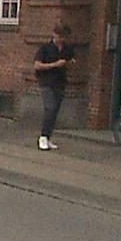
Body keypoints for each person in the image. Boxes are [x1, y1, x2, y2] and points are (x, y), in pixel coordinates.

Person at [33, 23, 74, 151]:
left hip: (60, 82)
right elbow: (37, 65)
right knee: (50, 108)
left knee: (55, 111)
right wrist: (55, 64)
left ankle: (48, 137)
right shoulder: (45, 48)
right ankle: (43, 137)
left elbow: (72, 62)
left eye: (63, 37)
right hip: (46, 82)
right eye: (59, 36)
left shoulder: (67, 49)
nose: (60, 39)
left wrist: (69, 63)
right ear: (54, 34)